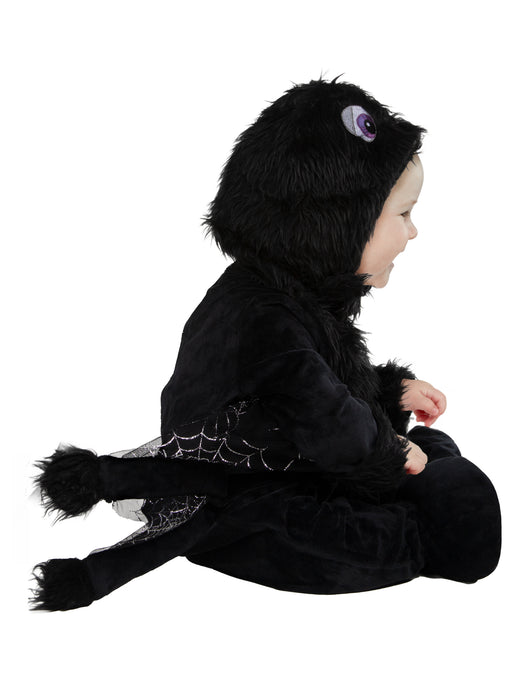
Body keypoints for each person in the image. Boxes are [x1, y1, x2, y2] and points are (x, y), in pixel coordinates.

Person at [29, 76, 502, 611]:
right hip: (243, 495)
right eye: (403, 214)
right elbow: (327, 419)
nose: (413, 232)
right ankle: (424, 538)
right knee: (379, 537)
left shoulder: (292, 292)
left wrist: (390, 392)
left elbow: (326, 385)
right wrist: (389, 450)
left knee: (430, 464)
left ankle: (425, 498)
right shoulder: (263, 318)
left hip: (285, 453)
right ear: (332, 225)